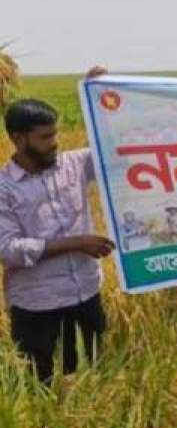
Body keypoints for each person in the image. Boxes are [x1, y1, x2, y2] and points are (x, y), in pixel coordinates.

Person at [0, 71, 115, 383]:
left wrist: (101, 96)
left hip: (85, 295)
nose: (55, 143)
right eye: (45, 137)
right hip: (38, 307)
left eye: (55, 134)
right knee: (45, 389)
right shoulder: (4, 188)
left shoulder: (74, 164)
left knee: (93, 380)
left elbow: (117, 150)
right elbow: (9, 250)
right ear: (18, 139)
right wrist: (77, 243)